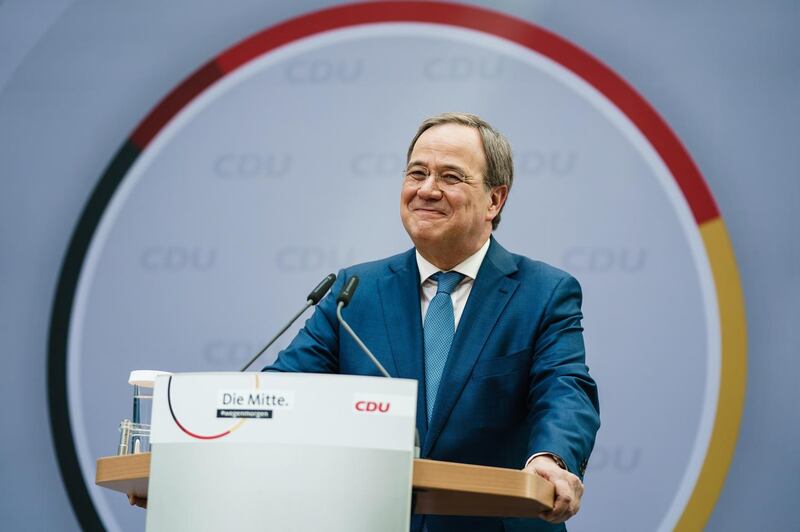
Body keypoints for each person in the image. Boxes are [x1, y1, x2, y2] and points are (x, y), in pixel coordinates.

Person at [266, 113, 600, 532]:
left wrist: (550, 459)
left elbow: (565, 389)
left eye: (451, 177)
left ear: (494, 201)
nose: (426, 190)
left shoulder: (544, 292)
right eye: (417, 173)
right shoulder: (355, 290)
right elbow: (281, 392)